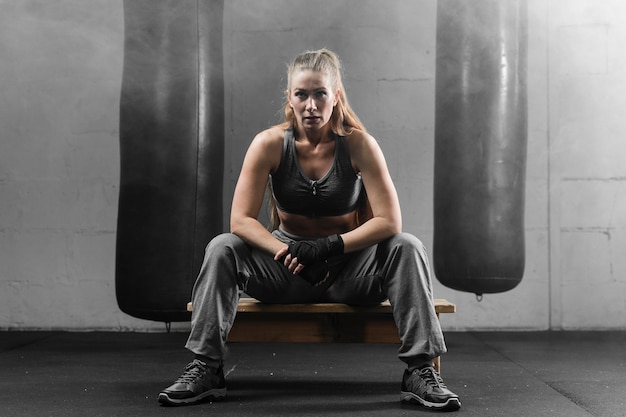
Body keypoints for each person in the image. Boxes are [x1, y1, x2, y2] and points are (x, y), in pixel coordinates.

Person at [157, 48, 461, 412]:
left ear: (335, 97)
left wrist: (330, 246)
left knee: (407, 245)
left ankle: (420, 371)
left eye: (320, 94)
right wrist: (284, 251)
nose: (311, 105)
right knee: (222, 246)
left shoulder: (359, 145)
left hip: (349, 272)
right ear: (289, 97)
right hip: (285, 271)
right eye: (302, 94)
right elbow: (240, 221)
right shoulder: (269, 143)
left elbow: (389, 221)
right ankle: (206, 368)